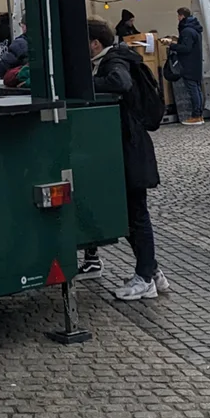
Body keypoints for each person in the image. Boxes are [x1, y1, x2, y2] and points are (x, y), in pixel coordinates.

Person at [79, 20, 169, 300]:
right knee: (131, 213)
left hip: (130, 148)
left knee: (136, 213)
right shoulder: (115, 57)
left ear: (95, 44)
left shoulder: (114, 60)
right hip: (127, 146)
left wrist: (83, 83)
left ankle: (145, 278)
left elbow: (120, 83)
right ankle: (152, 272)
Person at [171, 6, 204, 125]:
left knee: (193, 89)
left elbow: (186, 48)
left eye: (178, 16)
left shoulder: (187, 31)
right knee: (197, 89)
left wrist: (172, 45)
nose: (178, 18)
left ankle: (196, 116)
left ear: (182, 16)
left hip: (188, 64)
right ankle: (199, 114)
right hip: (196, 63)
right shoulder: (195, 29)